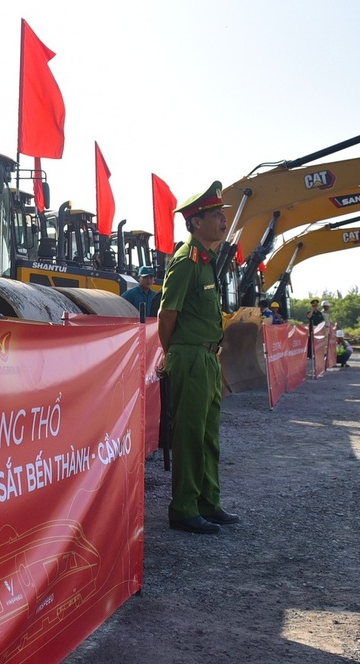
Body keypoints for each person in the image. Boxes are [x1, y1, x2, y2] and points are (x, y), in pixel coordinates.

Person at [157, 181, 240, 535]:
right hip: (189, 357)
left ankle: (209, 502)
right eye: (217, 216)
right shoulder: (187, 261)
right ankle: (184, 509)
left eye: (223, 215)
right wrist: (173, 354)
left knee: (208, 435)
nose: (224, 221)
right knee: (189, 435)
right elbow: (167, 315)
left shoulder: (206, 260)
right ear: (195, 222)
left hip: (208, 357)